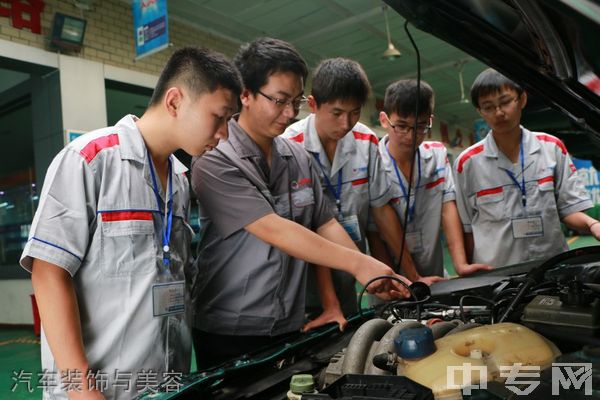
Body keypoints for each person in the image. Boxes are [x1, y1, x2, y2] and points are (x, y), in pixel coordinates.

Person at [20, 47, 242, 400]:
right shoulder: (90, 161)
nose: (225, 133)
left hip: (164, 385)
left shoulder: (180, 181)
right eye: (219, 117)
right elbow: (48, 273)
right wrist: (83, 391)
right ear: (174, 101)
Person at [190, 38, 409, 370]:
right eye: (279, 101)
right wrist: (359, 265)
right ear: (245, 95)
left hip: (290, 324)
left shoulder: (297, 158)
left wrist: (370, 271)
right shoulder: (215, 159)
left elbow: (325, 223)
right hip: (230, 329)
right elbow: (271, 228)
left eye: (294, 102)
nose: (290, 113)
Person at [282, 59, 441, 319]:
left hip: (352, 274)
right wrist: (328, 301)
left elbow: (381, 211)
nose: (346, 124)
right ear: (312, 105)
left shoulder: (365, 140)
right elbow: (304, 228)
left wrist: (412, 277)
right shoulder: (290, 146)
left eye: (354, 113)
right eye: (336, 113)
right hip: (304, 282)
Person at [454, 68, 600, 267]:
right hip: (497, 273)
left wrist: (593, 224)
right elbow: (467, 226)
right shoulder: (467, 163)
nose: (499, 112)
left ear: (522, 100)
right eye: (488, 107)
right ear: (480, 111)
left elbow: (568, 210)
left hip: (552, 265)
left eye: (505, 102)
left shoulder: (551, 148)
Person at [373, 79, 492, 277]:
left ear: (430, 121)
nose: (411, 136)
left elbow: (448, 208)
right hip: (393, 281)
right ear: (384, 120)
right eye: (402, 126)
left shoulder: (436, 155)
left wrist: (460, 264)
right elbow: (375, 233)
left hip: (436, 276)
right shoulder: (373, 162)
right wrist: (408, 279)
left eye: (420, 127)